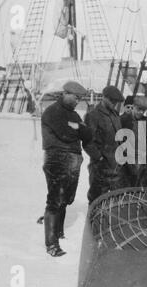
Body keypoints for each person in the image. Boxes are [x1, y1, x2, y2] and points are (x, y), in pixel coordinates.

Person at [40, 81, 93, 257]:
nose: (77, 101)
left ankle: (59, 232)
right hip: (56, 158)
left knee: (66, 198)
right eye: (75, 97)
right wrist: (78, 128)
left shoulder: (74, 115)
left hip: (72, 159)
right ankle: (51, 244)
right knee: (55, 200)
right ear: (66, 93)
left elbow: (87, 134)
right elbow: (66, 134)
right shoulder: (53, 112)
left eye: (79, 99)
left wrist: (77, 127)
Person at [84, 86, 129, 204]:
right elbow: (88, 142)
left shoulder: (114, 115)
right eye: (111, 101)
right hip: (100, 168)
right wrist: (99, 158)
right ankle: (94, 222)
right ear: (103, 98)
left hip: (117, 167)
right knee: (97, 202)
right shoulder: (93, 115)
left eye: (116, 102)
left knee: (118, 202)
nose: (114, 104)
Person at [120, 96, 147, 187]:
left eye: (143, 111)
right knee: (127, 190)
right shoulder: (123, 120)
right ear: (134, 106)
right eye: (139, 109)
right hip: (127, 162)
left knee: (143, 190)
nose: (141, 112)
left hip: (144, 163)